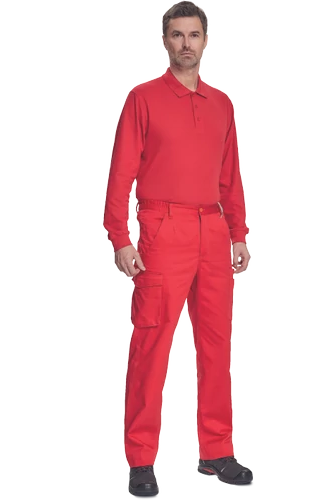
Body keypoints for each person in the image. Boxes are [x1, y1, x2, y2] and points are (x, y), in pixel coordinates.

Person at [103, 1, 253, 496]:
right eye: (177, 35)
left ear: (206, 41)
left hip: (213, 230)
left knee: (216, 345)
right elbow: (121, 173)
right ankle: (141, 462)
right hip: (162, 229)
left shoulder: (221, 105)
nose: (186, 43)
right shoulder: (143, 99)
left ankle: (216, 452)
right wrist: (120, 237)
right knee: (151, 345)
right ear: (164, 41)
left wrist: (239, 233)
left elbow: (230, 177)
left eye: (194, 35)